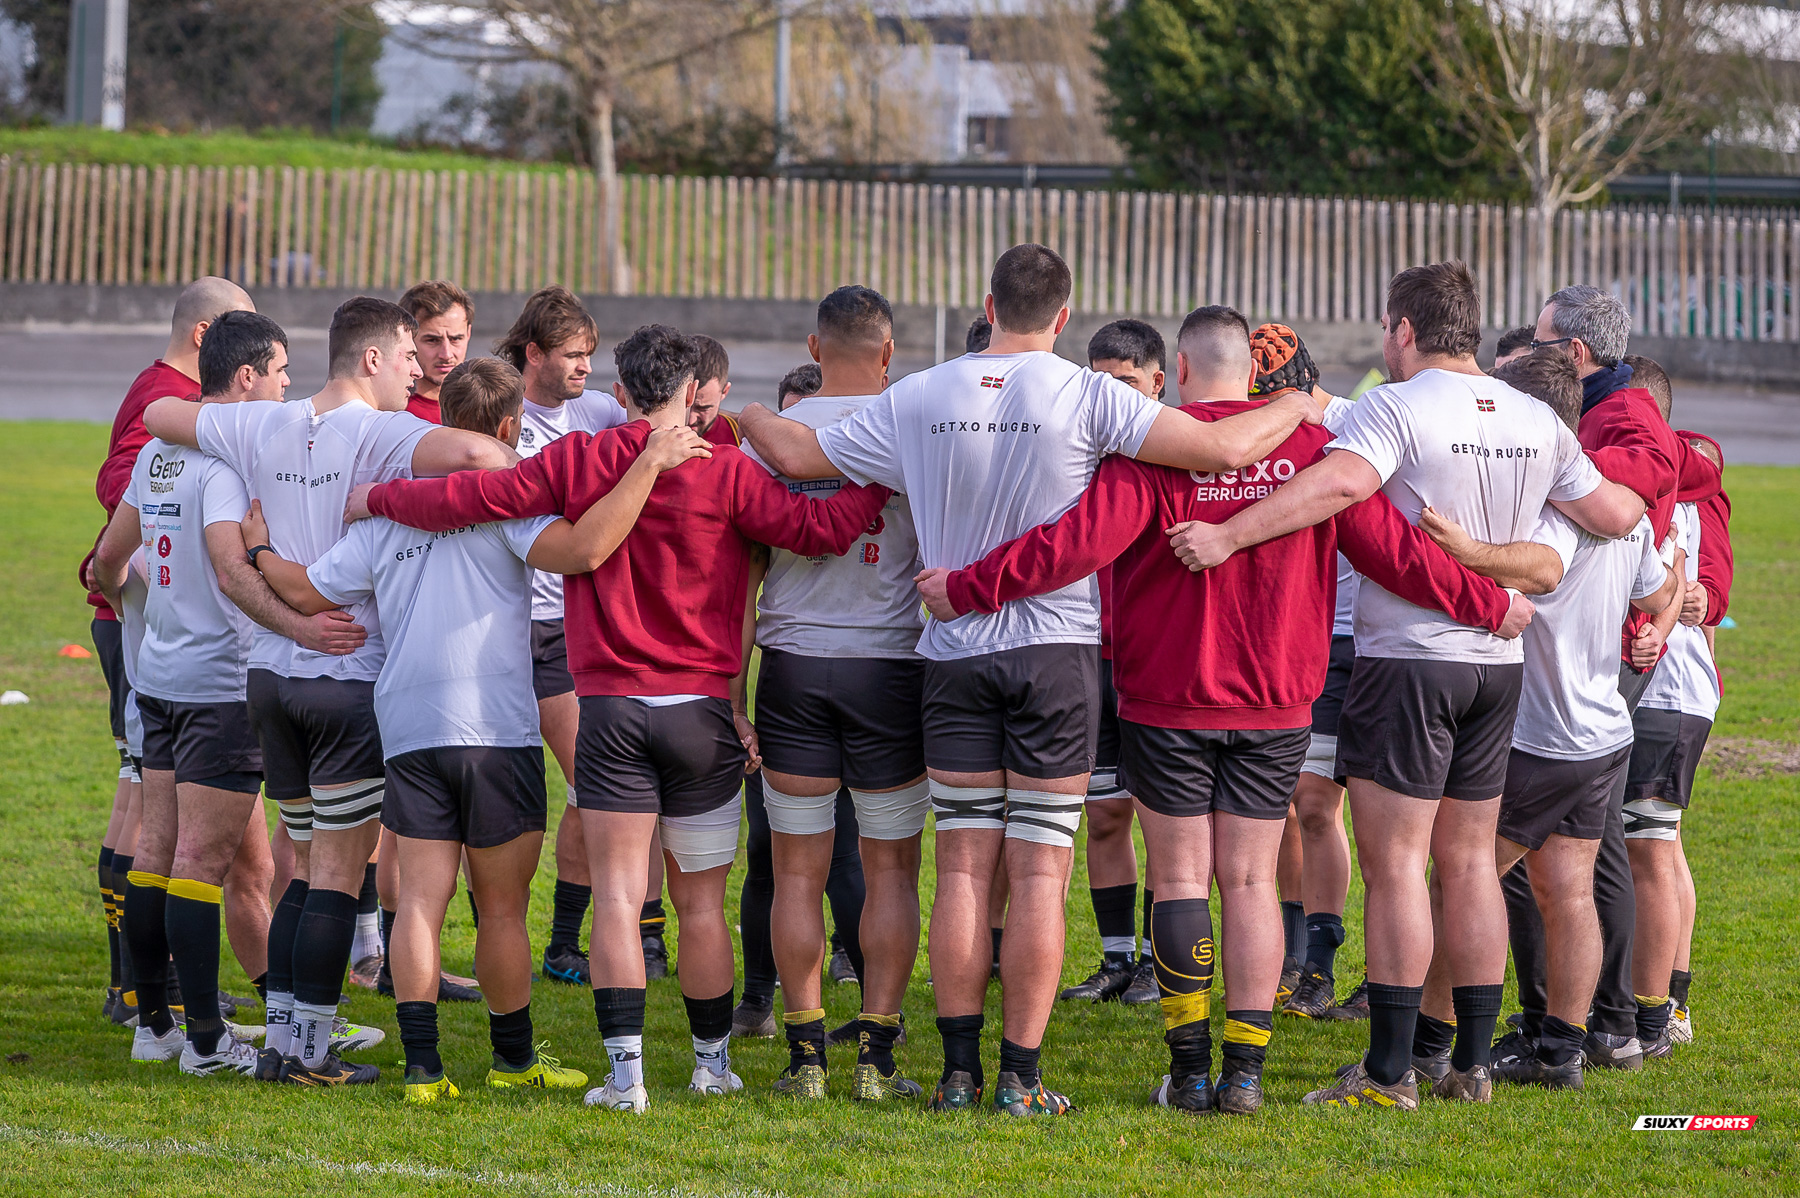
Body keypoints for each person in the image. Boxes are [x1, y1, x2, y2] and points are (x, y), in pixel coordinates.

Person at [736, 244, 1324, 1116]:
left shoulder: (922, 392)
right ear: (1063, 315)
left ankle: (958, 1073)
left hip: (952, 654)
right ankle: (1020, 1078)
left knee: (965, 871)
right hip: (1055, 657)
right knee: (1041, 875)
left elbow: (796, 449)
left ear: (987, 302)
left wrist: (743, 412)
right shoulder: (1091, 394)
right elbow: (1222, 443)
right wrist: (1298, 401)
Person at [920, 305, 1521, 1115]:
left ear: (1183, 368)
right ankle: (1244, 1076)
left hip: (1167, 697)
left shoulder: (1156, 449)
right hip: (1276, 701)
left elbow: (1077, 544)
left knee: (1178, 881)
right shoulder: (1310, 448)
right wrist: (1487, 603)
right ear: (1251, 368)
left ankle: (1191, 1070)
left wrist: (965, 588)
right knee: (1247, 881)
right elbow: (1396, 552)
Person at [357, 323, 892, 1114]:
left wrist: (376, 496)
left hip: (608, 708)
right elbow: (823, 532)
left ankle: (626, 1077)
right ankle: (711, 1065)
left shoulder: (581, 457)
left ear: (623, 388)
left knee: (616, 896)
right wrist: (882, 472)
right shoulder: (727, 469)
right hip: (701, 711)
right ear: (688, 391)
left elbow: (478, 497)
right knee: (701, 902)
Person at [1165, 261, 1647, 1110]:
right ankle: (1464, 1066)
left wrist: (1230, 534)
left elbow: (1341, 485)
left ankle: (1388, 1076)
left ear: (1401, 330)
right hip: (1497, 668)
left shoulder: (1398, 403)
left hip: (1409, 661)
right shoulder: (1538, 416)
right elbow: (1615, 513)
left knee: (1395, 868)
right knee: (1468, 865)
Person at [241, 357, 710, 1103]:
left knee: (418, 905)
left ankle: (424, 1072)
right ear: (507, 429)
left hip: (408, 728)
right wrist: (651, 462)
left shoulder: (386, 516)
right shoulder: (510, 508)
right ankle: (513, 1060)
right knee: (500, 910)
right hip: (496, 730)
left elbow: (300, 587)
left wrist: (258, 548)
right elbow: (589, 549)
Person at [143, 297, 515, 1087]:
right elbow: (488, 462)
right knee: (336, 876)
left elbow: (157, 412)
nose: (419, 371)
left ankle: (283, 1034)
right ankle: (307, 1053)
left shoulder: (260, 423)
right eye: (410, 357)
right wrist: (387, 496)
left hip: (269, 680)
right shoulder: (385, 433)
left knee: (302, 866)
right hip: (344, 675)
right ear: (373, 359)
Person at [1419, 351, 1681, 1091]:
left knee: (1458, 881)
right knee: (1563, 889)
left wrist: (1459, 546)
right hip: (1602, 735)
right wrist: (1654, 627)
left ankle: (1429, 1046)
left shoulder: (1550, 507)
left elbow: (1537, 569)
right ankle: (1561, 1052)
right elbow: (1670, 581)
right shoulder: (1616, 504)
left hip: (1542, 736)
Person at [91, 311, 325, 1074]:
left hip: (156, 677)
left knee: (157, 851)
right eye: (283, 369)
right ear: (248, 377)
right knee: (202, 860)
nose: (290, 382)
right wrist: (301, 626)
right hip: (219, 685)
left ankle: (153, 1025)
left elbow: (105, 561)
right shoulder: (224, 464)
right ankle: (204, 1042)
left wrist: (142, 603)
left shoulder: (158, 451)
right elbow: (232, 569)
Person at [1513, 293, 1719, 1071]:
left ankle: (1617, 1021)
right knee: (1600, 856)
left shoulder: (1626, 420)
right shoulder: (1602, 412)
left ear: (1571, 351)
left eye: (1535, 341)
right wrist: (1664, 610)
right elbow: (1666, 573)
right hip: (1609, 678)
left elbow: (1646, 510)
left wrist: (1558, 479)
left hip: (1602, 689)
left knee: (1604, 855)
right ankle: (1606, 1027)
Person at [738, 286, 923, 1101]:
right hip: (888, 666)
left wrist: (728, 689)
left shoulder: (772, 440)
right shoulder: (915, 429)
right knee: (889, 874)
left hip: (792, 668)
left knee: (796, 871)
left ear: (814, 350)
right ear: (888, 353)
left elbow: (739, 575)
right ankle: (876, 1062)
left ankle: (806, 1057)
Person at [85, 277, 253, 1014]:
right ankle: (155, 995)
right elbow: (123, 487)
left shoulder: (166, 404)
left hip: (154, 636)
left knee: (152, 822)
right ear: (207, 337)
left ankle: (144, 996)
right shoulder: (168, 407)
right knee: (160, 829)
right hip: (162, 639)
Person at [478, 287, 637, 990]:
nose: (584, 368)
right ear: (533, 354)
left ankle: (566, 941)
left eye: (590, 355)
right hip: (513, 629)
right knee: (485, 792)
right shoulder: (499, 426)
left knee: (589, 783)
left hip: (575, 629)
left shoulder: (598, 413)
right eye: (572, 355)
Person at [1242, 324, 1367, 1023]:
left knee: (1331, 808)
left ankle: (1329, 962)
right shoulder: (1256, 432)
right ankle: (1300, 957)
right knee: (1295, 805)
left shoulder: (1349, 423)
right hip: (1294, 641)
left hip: (1356, 643)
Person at [1059, 318, 1165, 1006]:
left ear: (1160, 382)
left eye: (1126, 383)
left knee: (1165, 817)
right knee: (1103, 814)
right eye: (1100, 383)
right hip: (1088, 656)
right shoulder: (1076, 452)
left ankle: (1161, 960)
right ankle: (1116, 958)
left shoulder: (1175, 452)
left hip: (1157, 658)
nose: (1114, 397)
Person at [398, 281, 475, 424]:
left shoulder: (488, 408)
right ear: (407, 338)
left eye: (456, 339)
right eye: (432, 340)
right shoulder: (391, 417)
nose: (446, 355)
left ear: (468, 333)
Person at [690, 334, 739, 446]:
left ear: (725, 391)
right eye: (685, 406)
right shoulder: (651, 436)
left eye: (703, 408)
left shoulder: (743, 438)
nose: (690, 420)